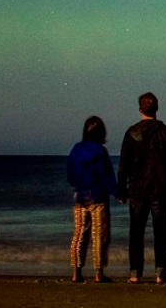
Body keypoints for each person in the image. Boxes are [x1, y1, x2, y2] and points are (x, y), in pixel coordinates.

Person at [117, 92, 166, 284]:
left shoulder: (131, 133)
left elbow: (123, 164)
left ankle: (135, 273)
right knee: (161, 233)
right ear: (157, 108)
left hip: (137, 189)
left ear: (140, 109)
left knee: (136, 233)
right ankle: (161, 272)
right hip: (161, 189)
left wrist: (121, 189)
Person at [67, 116, 117, 283]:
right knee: (99, 235)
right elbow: (107, 176)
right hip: (97, 196)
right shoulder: (100, 152)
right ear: (101, 132)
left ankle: (76, 272)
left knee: (79, 234)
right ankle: (98, 273)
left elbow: (71, 177)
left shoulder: (76, 149)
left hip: (79, 195)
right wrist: (116, 192)